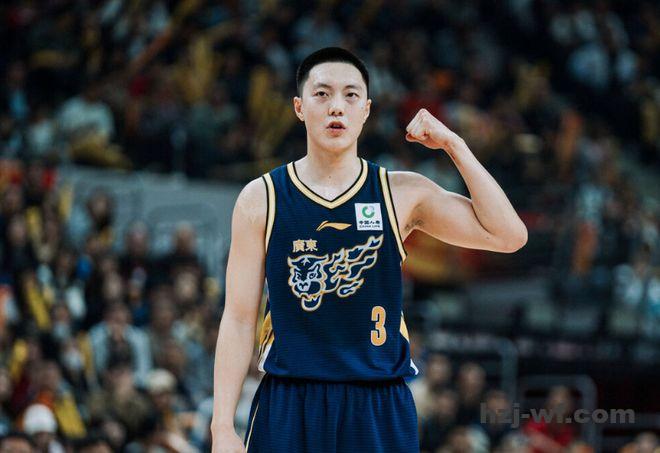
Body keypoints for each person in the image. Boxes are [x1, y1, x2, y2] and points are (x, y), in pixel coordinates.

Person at [211, 47, 527, 453]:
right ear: (299, 107)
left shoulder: (400, 192)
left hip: (378, 402)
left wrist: (454, 145)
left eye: (351, 95)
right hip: (289, 399)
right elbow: (239, 318)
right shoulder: (261, 198)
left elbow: (508, 236)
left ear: (366, 110)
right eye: (322, 94)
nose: (336, 107)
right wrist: (222, 425)